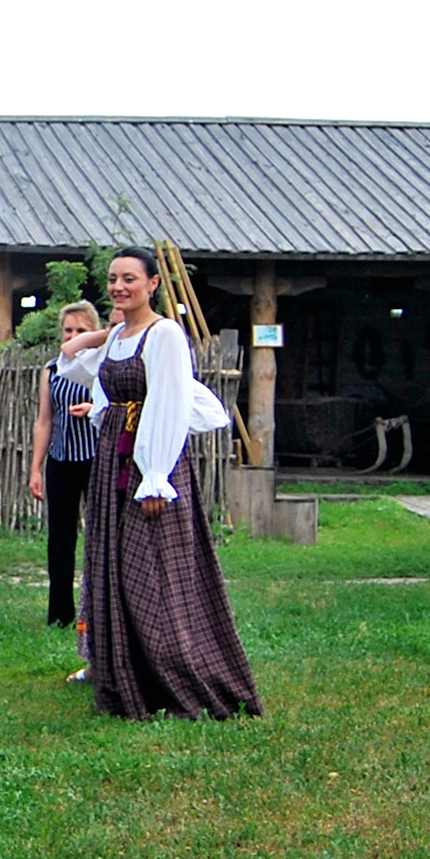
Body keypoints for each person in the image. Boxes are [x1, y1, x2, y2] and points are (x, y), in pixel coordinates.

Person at [57, 246, 260, 720]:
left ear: (153, 284)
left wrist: (155, 477)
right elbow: (71, 362)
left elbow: (168, 404)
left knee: (152, 569)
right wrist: (106, 330)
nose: (118, 287)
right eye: (112, 279)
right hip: (113, 461)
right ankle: (129, 673)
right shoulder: (119, 338)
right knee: (114, 565)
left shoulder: (165, 334)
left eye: (130, 278)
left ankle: (178, 674)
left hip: (151, 465)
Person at [30, 300, 102, 628]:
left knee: (99, 536)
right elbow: (45, 420)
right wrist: (35, 468)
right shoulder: (51, 369)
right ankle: (60, 613)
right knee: (60, 539)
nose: (73, 336)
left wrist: (93, 407)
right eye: (68, 330)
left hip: (95, 458)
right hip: (61, 460)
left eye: (81, 330)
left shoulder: (102, 365)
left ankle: (96, 611)